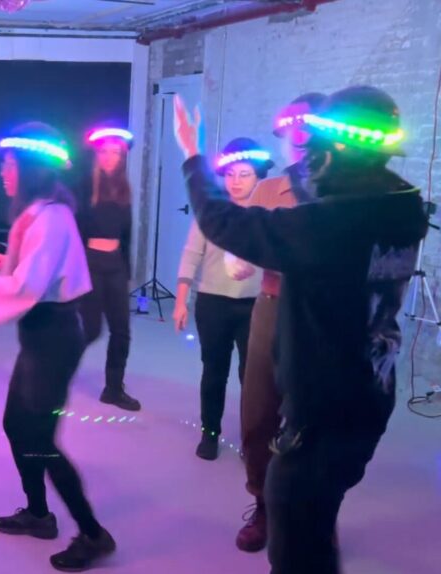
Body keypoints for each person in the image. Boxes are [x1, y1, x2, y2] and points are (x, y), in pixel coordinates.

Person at [174, 86, 426, 573]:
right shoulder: (399, 204)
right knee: (317, 514)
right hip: (372, 392)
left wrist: (192, 155)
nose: (308, 157)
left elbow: (223, 221)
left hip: (323, 407)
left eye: (316, 148)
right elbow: (326, 188)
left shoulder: (331, 225)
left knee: (296, 545)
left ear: (333, 153)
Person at [0, 123, 115, 572]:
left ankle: (93, 533)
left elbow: (31, 285)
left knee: (40, 438)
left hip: (57, 334)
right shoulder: (41, 213)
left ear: (29, 169)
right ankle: (39, 514)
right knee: (16, 424)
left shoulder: (52, 216)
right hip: (43, 331)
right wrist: (2, 261)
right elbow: (36, 269)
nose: (3, 170)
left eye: (9, 163)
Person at [235, 93, 326, 553]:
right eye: (290, 135)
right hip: (272, 307)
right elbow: (248, 241)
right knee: (258, 413)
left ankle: (313, 510)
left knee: (314, 417)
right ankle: (265, 504)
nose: (297, 144)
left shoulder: (345, 194)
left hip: (325, 314)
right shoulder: (269, 191)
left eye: (305, 133)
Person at [173, 137, 271, 460]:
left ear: (258, 177)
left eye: (244, 174)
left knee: (252, 378)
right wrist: (180, 300)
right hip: (212, 303)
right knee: (214, 370)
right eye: (230, 175)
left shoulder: (266, 215)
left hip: (254, 305)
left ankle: (251, 439)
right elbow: (191, 255)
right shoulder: (212, 213)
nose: (236, 181)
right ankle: (210, 433)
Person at [76, 126, 140, 411]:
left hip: (115, 266)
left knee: (122, 330)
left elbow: (126, 236)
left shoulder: (125, 190)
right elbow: (74, 231)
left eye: (115, 152)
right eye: (104, 151)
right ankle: (53, 368)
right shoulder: (85, 186)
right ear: (97, 155)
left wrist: (126, 272)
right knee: (89, 329)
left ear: (122, 156)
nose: (110, 157)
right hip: (90, 263)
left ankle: (113, 389)